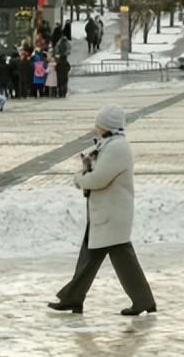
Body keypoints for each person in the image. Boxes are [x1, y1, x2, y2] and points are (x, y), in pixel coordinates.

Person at [49, 105, 157, 316]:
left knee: (114, 259)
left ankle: (142, 300)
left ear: (107, 125)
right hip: (106, 214)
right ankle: (74, 298)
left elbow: (99, 179)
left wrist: (80, 179)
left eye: (98, 124)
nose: (95, 127)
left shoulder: (117, 148)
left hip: (111, 215)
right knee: (91, 257)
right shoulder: (108, 145)